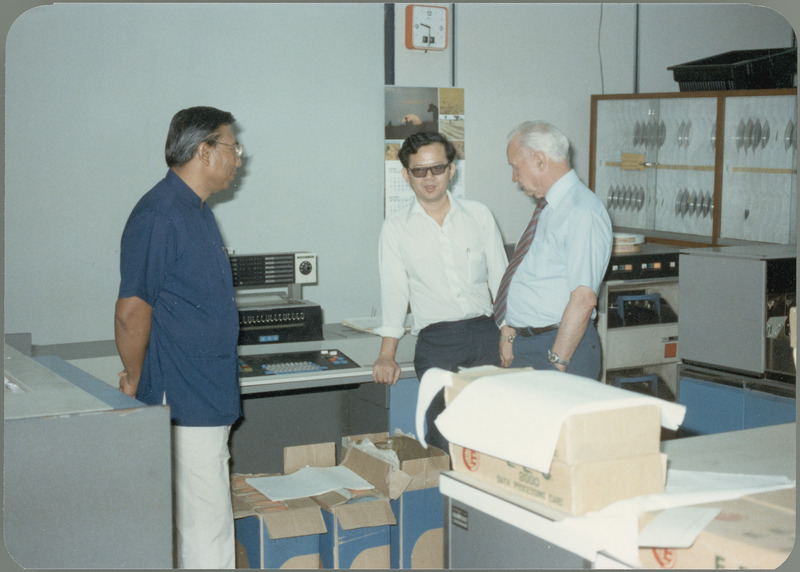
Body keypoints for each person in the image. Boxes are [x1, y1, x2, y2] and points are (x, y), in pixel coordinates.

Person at [114, 106, 244, 569]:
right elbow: (132, 313)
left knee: (206, 523)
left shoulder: (195, 210)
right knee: (206, 530)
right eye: (232, 147)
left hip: (205, 389)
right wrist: (134, 376)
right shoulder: (162, 214)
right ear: (204, 150)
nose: (239, 157)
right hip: (184, 395)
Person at [372, 131, 508, 450]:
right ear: (406, 175)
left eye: (437, 168)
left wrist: (508, 336)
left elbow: (502, 283)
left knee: (492, 438)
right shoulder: (395, 228)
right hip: (438, 344)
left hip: (487, 336)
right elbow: (394, 294)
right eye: (419, 170)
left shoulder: (479, 215)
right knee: (445, 441)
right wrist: (386, 355)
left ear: (452, 169)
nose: (429, 178)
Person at [495, 120, 612, 379]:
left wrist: (557, 362)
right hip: (531, 345)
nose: (514, 178)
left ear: (539, 160)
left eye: (516, 167)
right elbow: (534, 279)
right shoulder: (550, 208)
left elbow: (583, 299)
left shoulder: (582, 211)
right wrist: (510, 332)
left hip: (559, 348)